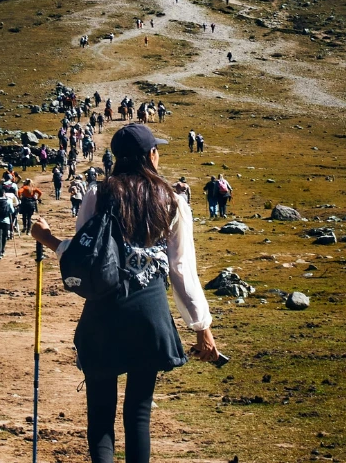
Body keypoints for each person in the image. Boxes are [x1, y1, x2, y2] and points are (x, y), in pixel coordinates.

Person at [30, 123, 218, 463]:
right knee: (139, 413)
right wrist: (201, 327)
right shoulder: (172, 200)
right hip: (149, 312)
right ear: (151, 155)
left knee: (100, 413)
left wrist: (50, 241)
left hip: (103, 310)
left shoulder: (97, 194)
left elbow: (90, 256)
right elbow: (181, 271)